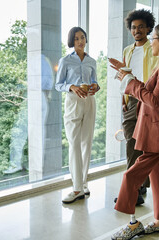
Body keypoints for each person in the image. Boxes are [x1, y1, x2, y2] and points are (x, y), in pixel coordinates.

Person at [111, 21, 159, 239]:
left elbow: (154, 100)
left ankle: (132, 224)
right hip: (155, 129)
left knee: (131, 176)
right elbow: (150, 91)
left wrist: (129, 81)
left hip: (158, 131)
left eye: (154, 38)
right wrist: (128, 76)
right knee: (158, 178)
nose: (151, 41)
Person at [108, 9, 158, 205]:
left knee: (145, 144)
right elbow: (124, 76)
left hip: (147, 97)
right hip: (131, 99)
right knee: (131, 142)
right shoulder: (127, 51)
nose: (137, 30)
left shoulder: (153, 48)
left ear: (148, 28)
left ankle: (138, 187)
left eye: (141, 27)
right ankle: (135, 188)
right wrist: (123, 98)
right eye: (134, 27)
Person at [55, 27, 100, 204]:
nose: (80, 41)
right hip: (73, 102)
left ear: (86, 39)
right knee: (74, 144)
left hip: (89, 101)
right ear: (72, 42)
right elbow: (58, 85)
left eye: (82, 37)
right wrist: (71, 87)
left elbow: (95, 81)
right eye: (76, 39)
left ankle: (83, 183)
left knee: (86, 144)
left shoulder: (92, 61)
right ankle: (76, 188)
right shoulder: (65, 61)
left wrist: (96, 86)